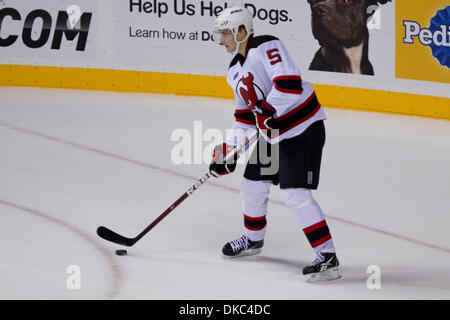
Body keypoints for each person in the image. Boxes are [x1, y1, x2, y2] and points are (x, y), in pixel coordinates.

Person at [209, 6, 341, 282]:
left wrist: (269, 110)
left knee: (296, 193)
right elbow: (245, 118)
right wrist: (228, 151)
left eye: (225, 33)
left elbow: (289, 83)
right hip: (275, 136)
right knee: (252, 184)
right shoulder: (234, 71)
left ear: (241, 31)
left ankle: (327, 257)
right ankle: (253, 239)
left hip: (303, 129)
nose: (221, 39)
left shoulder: (266, 45)